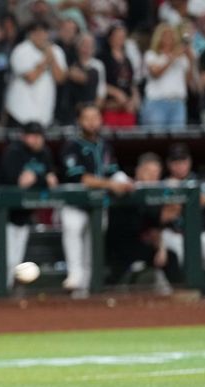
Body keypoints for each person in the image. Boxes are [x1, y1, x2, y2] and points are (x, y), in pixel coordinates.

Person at [59, 103, 134, 298]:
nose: (92, 122)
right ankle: (74, 278)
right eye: (87, 118)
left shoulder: (105, 145)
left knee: (93, 250)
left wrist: (124, 181)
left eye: (96, 118)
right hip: (75, 204)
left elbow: (113, 171)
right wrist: (111, 184)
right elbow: (81, 178)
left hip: (98, 206)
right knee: (73, 235)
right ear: (80, 121)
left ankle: (87, 292)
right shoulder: (71, 145)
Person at [0, 122, 58, 289]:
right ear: (23, 136)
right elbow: (20, 182)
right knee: (3, 258)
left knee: (16, 260)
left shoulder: (45, 153)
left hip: (22, 215)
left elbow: (52, 181)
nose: (35, 140)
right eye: (31, 136)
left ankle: (9, 291)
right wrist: (41, 178)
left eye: (38, 136)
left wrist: (36, 178)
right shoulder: (14, 152)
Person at [105, 153, 182, 291]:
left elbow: (156, 224)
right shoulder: (129, 188)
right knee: (113, 278)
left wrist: (161, 249)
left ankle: (180, 294)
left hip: (139, 246)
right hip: (116, 248)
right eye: (149, 172)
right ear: (138, 171)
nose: (153, 177)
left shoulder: (153, 195)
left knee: (171, 257)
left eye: (156, 173)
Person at [160, 143, 205, 300]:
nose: (180, 165)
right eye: (176, 162)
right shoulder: (163, 183)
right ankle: (188, 296)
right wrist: (183, 201)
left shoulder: (200, 179)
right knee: (182, 256)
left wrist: (175, 198)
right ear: (169, 164)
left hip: (198, 233)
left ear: (189, 161)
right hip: (173, 235)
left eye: (183, 160)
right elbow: (163, 216)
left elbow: (201, 201)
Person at [4, 21, 67, 127]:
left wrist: (52, 58)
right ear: (30, 34)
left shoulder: (56, 51)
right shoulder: (21, 50)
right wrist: (46, 60)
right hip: (19, 113)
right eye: (36, 32)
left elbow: (60, 79)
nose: (40, 35)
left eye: (43, 32)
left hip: (44, 114)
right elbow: (31, 78)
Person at [141, 23, 195, 127]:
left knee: (177, 140)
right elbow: (155, 73)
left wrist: (191, 60)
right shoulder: (152, 54)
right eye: (165, 35)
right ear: (159, 38)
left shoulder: (182, 57)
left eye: (172, 35)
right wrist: (173, 57)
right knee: (157, 139)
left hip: (178, 103)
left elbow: (188, 81)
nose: (169, 38)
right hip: (157, 102)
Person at [57, 33, 106, 125]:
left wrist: (93, 111)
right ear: (78, 47)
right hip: (69, 112)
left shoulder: (97, 66)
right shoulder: (71, 61)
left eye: (90, 46)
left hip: (88, 110)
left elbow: (100, 91)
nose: (86, 49)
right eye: (84, 45)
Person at [100, 22, 141, 128]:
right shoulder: (102, 57)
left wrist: (134, 99)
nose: (120, 39)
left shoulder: (127, 59)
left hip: (127, 108)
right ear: (110, 38)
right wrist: (116, 93)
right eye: (117, 36)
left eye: (122, 36)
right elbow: (99, 82)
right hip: (110, 106)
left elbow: (131, 82)